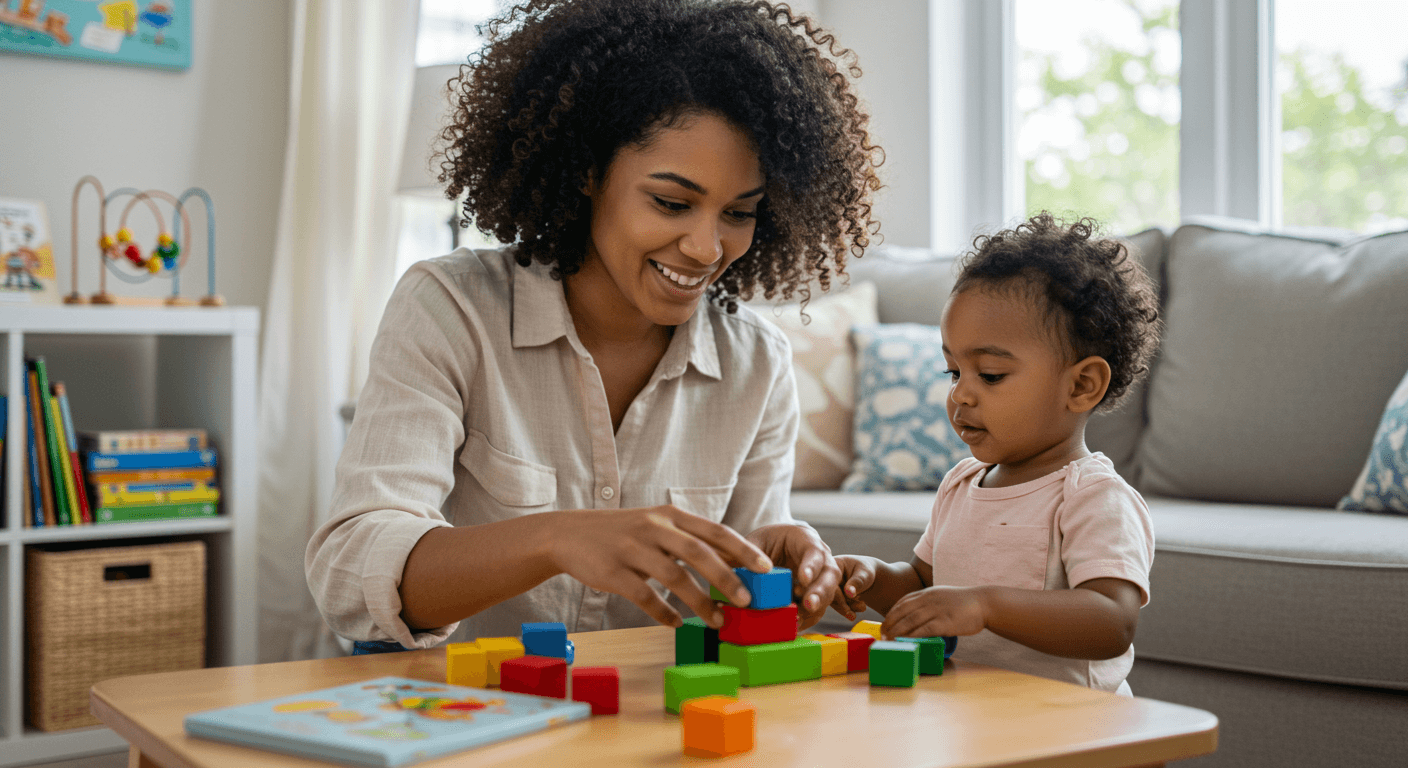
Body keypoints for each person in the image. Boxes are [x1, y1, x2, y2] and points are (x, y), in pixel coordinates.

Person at [306, 0, 883, 654]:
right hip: (460, 715)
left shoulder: (758, 363)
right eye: (671, 202)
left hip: (642, 728)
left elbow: (740, 597)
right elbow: (349, 575)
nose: (705, 247)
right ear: (587, 171)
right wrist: (556, 539)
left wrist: (777, 562)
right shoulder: (450, 308)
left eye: (740, 213)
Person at [829, 213, 1161, 694]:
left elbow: (1112, 623)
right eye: (953, 372)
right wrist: (875, 577)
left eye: (989, 375)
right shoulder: (962, 483)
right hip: (977, 721)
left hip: (1074, 730)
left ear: (1082, 385)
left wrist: (983, 605)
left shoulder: (1093, 496)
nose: (961, 394)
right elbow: (926, 587)